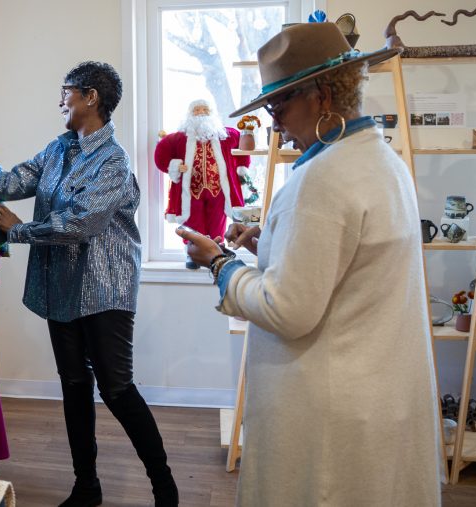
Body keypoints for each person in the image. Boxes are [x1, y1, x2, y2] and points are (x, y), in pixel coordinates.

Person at [179, 23, 442, 506]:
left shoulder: (323, 179)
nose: (274, 122)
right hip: (375, 395)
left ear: (321, 96)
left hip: (329, 407)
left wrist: (218, 262)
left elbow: (288, 311)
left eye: (278, 107)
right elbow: (348, 269)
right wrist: (272, 243)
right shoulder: (381, 162)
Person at [0, 61, 178, 507]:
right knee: (73, 385)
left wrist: (18, 229)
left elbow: (81, 223)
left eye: (65, 92)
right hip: (61, 288)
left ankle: (165, 488)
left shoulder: (114, 161)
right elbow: (9, 181)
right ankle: (86, 486)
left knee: (117, 389)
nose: (59, 101)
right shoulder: (59, 149)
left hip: (106, 290)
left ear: (90, 97)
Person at [154, 100, 251, 268]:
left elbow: (242, 148)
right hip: (191, 190)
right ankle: (193, 253)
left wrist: (242, 167)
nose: (201, 113)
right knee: (193, 221)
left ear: (212, 113)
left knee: (217, 220)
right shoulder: (178, 138)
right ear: (190, 114)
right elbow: (161, 155)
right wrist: (176, 165)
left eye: (205, 110)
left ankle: (216, 250)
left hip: (218, 189)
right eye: (197, 110)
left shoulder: (226, 135)